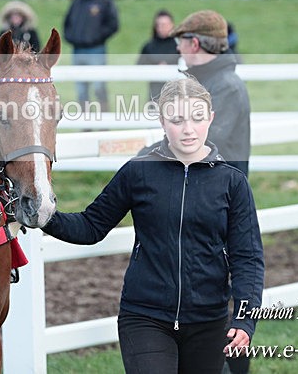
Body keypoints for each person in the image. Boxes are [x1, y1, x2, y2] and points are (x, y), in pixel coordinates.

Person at [42, 77, 264, 374]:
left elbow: (247, 257)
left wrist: (245, 319)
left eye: (197, 118)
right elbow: (91, 226)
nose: (188, 129)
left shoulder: (232, 182)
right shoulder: (138, 172)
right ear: (162, 120)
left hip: (209, 320)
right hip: (144, 316)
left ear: (211, 118)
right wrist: (44, 216)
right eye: (177, 119)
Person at [170, 10, 250, 175]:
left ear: (194, 44)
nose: (178, 47)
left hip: (219, 190)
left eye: (180, 40)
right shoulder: (209, 82)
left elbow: (205, 142)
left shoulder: (226, 87)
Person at [63, 0, 119, 112]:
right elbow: (67, 24)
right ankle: (85, 123)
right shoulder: (76, 3)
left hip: (96, 50)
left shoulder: (104, 2)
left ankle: (103, 121)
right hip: (78, 50)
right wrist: (72, 38)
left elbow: (113, 24)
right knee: (81, 89)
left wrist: (97, 37)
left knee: (99, 87)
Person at [136, 9, 180, 100]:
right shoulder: (149, 46)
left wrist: (169, 68)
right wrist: (155, 68)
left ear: (172, 25)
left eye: (164, 25)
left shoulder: (179, 45)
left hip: (176, 92)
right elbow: (139, 66)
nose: (161, 28)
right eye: (158, 25)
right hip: (155, 92)